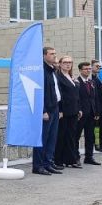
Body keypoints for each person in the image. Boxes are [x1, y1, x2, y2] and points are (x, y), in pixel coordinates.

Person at [32, 46, 62, 176]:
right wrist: (43, 110)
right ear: (44, 55)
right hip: (46, 110)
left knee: (52, 138)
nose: (54, 56)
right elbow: (39, 92)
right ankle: (38, 166)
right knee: (42, 138)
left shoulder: (52, 70)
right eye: (51, 54)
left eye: (55, 53)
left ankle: (47, 163)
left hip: (55, 108)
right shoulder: (41, 71)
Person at [53, 55, 82, 169]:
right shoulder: (57, 76)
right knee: (61, 136)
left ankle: (70, 159)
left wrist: (79, 108)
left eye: (70, 62)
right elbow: (59, 95)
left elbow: (76, 95)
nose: (68, 64)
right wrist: (60, 110)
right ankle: (58, 160)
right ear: (60, 64)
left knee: (71, 136)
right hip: (64, 112)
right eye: (65, 62)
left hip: (73, 111)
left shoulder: (71, 77)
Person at [76, 60, 102, 165]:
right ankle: (76, 157)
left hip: (91, 113)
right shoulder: (77, 82)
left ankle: (89, 157)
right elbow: (76, 98)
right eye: (85, 69)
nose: (88, 71)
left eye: (89, 68)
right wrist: (78, 110)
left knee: (90, 136)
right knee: (77, 136)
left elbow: (95, 98)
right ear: (80, 70)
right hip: (81, 114)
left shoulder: (92, 82)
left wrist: (97, 112)